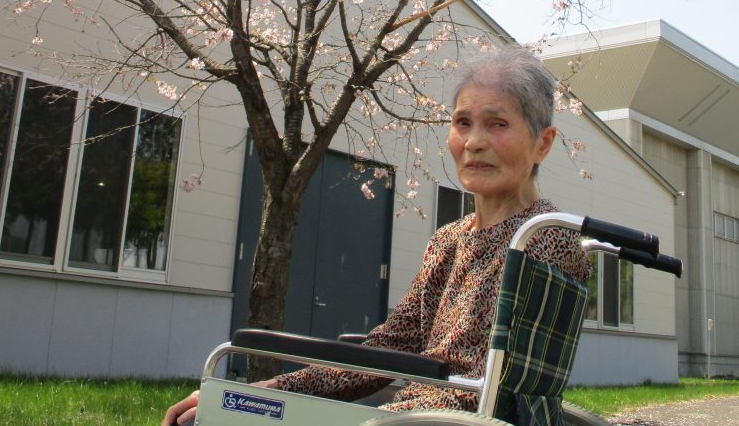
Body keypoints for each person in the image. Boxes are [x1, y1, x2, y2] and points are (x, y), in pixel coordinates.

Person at [162, 46, 591, 425]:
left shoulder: (544, 239)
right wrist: (264, 392)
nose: (475, 141)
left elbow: (481, 390)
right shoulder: (450, 239)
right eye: (463, 122)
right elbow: (391, 347)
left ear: (543, 143)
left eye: (497, 124)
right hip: (416, 412)